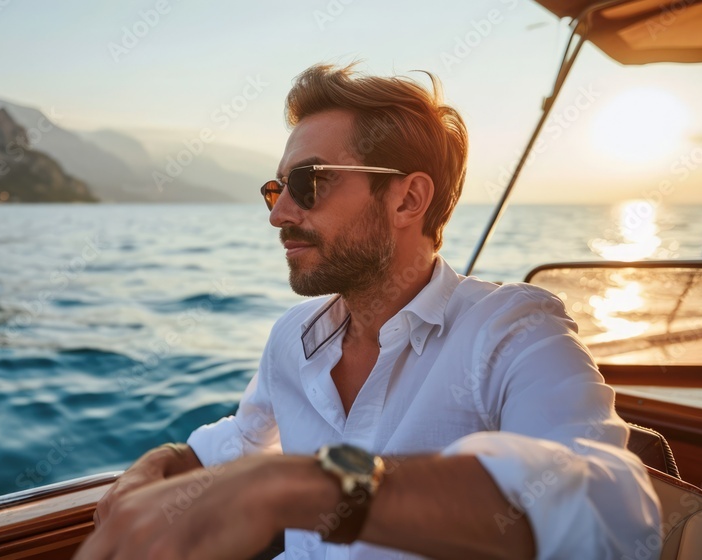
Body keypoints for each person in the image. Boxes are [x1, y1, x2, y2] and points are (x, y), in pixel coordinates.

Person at [74, 63, 661, 559]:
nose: (278, 215)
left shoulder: (512, 330)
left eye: (308, 182)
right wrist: (159, 462)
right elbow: (242, 439)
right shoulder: (293, 338)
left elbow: (615, 511)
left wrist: (297, 484)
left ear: (408, 198)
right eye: (277, 189)